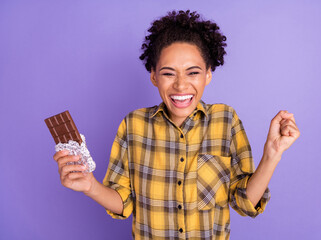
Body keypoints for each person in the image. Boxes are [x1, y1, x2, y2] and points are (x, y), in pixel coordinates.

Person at [53, 10, 300, 239]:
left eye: (192, 72)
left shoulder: (226, 120)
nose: (181, 86)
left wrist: (272, 154)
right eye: (169, 73)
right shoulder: (133, 125)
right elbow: (124, 203)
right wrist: (90, 186)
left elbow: (245, 202)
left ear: (208, 74)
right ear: (153, 76)